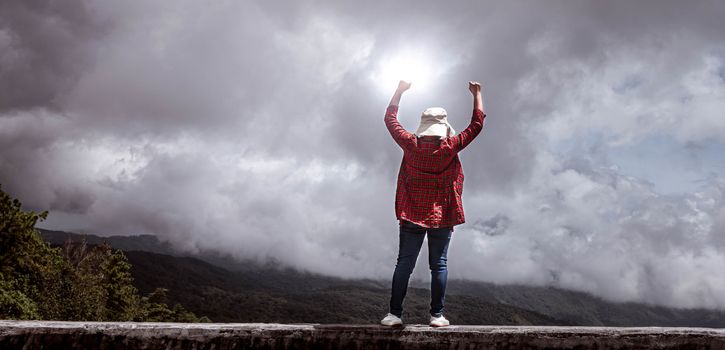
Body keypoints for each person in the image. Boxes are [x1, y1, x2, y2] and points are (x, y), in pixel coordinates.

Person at [380, 80, 486, 327]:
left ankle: (395, 314)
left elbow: (389, 119)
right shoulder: (450, 146)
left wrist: (399, 90)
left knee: (404, 264)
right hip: (442, 215)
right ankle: (437, 315)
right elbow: (477, 124)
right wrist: (477, 93)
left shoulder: (410, 144)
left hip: (411, 213)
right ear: (443, 128)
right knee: (438, 265)